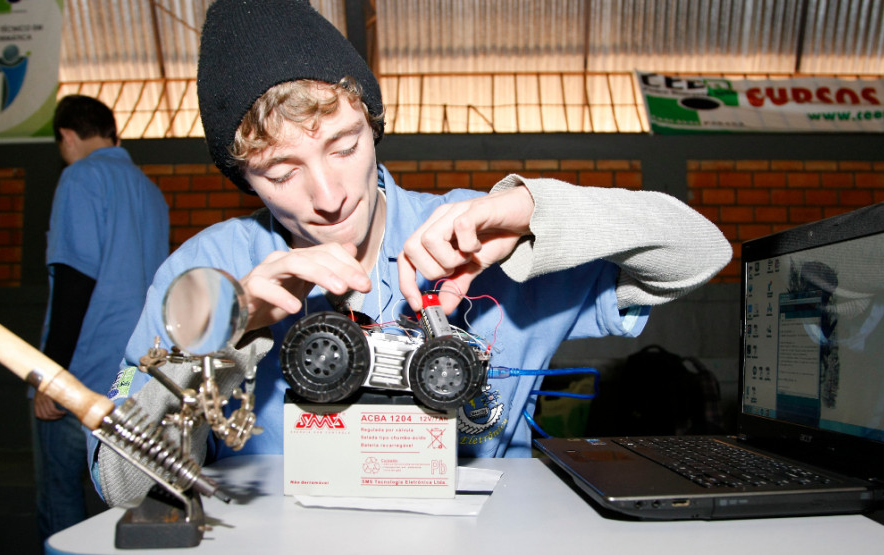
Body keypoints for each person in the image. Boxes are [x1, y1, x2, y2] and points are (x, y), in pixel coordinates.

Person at [92, 0, 731, 506]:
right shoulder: (206, 274)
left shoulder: (477, 237)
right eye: (281, 174)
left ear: (373, 123)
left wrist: (542, 211)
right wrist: (227, 333)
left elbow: (701, 250)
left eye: (343, 147)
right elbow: (118, 484)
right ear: (243, 179)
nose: (329, 196)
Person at [33, 95, 170, 541]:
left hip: (80, 379)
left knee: (61, 501)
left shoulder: (79, 178)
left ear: (67, 136)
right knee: (121, 505)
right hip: (133, 380)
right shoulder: (150, 191)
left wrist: (49, 376)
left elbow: (74, 282)